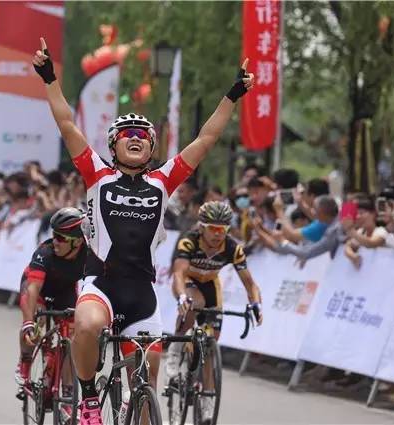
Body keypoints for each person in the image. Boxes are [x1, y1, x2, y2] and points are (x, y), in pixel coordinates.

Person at [32, 36, 254, 423]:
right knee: (87, 324)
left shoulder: (163, 181)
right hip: (100, 284)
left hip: (141, 292)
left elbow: (206, 139)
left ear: (151, 147)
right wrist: (50, 78)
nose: (135, 139)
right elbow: (66, 123)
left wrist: (232, 96)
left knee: (147, 382)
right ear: (113, 146)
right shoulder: (97, 174)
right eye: (127, 136)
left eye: (143, 136)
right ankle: (88, 399)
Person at [166, 201, 262, 422]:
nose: (218, 234)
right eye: (213, 229)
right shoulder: (189, 241)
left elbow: (250, 284)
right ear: (202, 227)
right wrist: (181, 297)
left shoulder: (232, 248)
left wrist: (256, 304)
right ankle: (176, 346)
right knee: (194, 302)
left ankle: (207, 397)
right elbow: (178, 273)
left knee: (210, 343)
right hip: (188, 282)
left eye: (223, 229)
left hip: (211, 284)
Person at [15, 207, 87, 413]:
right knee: (35, 325)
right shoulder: (44, 253)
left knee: (72, 339)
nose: (55, 241)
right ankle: (25, 362)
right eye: (54, 235)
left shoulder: (89, 254)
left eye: (61, 238)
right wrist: (28, 322)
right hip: (37, 291)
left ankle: (67, 394)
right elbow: (32, 290)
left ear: (77, 242)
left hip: (64, 292)